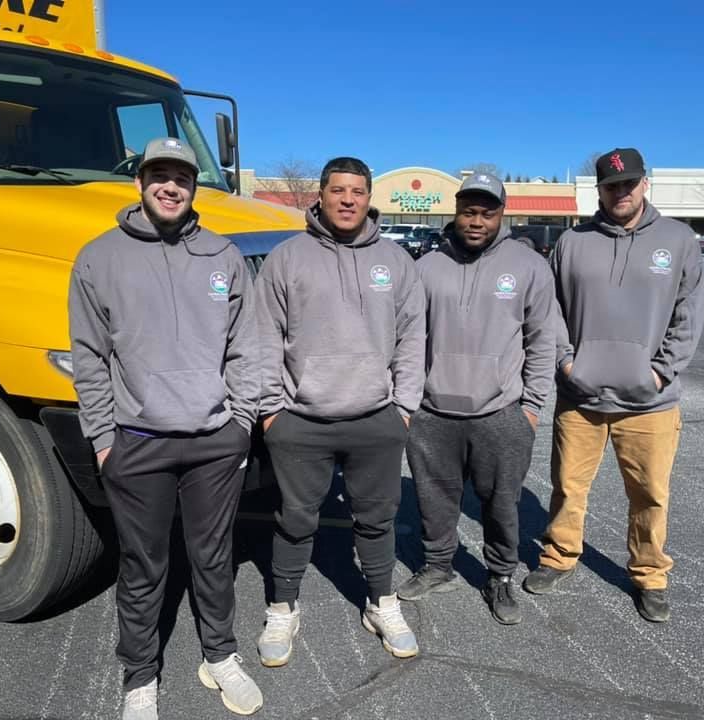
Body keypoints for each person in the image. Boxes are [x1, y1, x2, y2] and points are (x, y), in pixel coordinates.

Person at [69, 137, 263, 718]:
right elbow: (89, 357)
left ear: (193, 185)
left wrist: (241, 424)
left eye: (181, 176)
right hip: (138, 443)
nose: (170, 186)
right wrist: (104, 440)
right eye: (159, 175)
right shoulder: (98, 258)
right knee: (142, 565)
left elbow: (245, 348)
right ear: (140, 182)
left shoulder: (223, 256)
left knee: (213, 557)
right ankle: (139, 676)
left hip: (214, 443)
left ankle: (219, 655)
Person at [254, 156, 425, 665]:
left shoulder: (394, 261)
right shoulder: (287, 258)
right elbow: (262, 337)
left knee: (377, 519)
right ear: (321, 195)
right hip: (300, 420)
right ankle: (282, 607)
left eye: (357, 191)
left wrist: (405, 408)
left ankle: (381, 602)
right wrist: (270, 411)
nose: (347, 200)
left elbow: (414, 337)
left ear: (368, 197)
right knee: (294, 519)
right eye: (338, 190)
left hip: (376, 417)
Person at [523, 148, 704, 623]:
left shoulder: (679, 240)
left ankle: (649, 574)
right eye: (611, 185)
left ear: (645, 184)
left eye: (629, 184)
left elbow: (688, 315)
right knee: (567, 486)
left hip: (650, 402)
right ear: (599, 189)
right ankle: (559, 556)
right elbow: (551, 312)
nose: (620, 192)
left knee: (650, 493)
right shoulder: (572, 242)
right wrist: (566, 364)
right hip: (580, 396)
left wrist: (660, 372)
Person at [397, 173, 557, 625]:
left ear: (501, 214)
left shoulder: (529, 267)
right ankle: (438, 565)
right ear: (456, 211)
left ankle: (500, 575)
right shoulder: (426, 267)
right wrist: (409, 403)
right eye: (469, 211)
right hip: (432, 411)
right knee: (435, 497)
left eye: (487, 213)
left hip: (501, 412)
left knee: (501, 502)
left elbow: (544, 340)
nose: (476, 220)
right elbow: (407, 337)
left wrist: (530, 408)